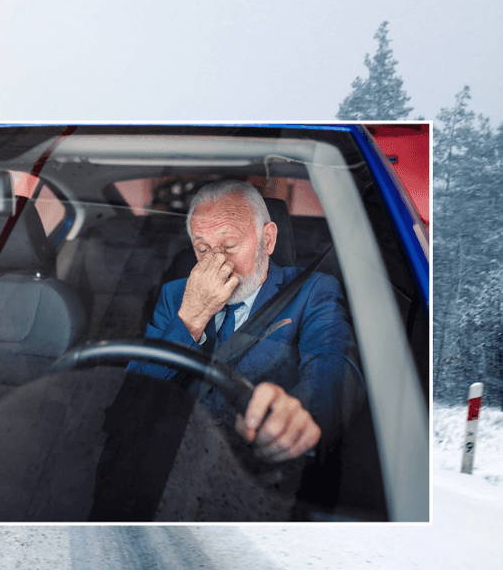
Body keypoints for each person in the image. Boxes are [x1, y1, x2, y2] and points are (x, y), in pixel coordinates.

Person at [131, 180, 363, 463]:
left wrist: (299, 414)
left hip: (256, 463)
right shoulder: (175, 295)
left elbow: (334, 366)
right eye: (202, 249)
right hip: (173, 455)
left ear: (268, 239)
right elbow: (137, 391)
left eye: (229, 245)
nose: (217, 263)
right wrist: (192, 316)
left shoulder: (312, 290)